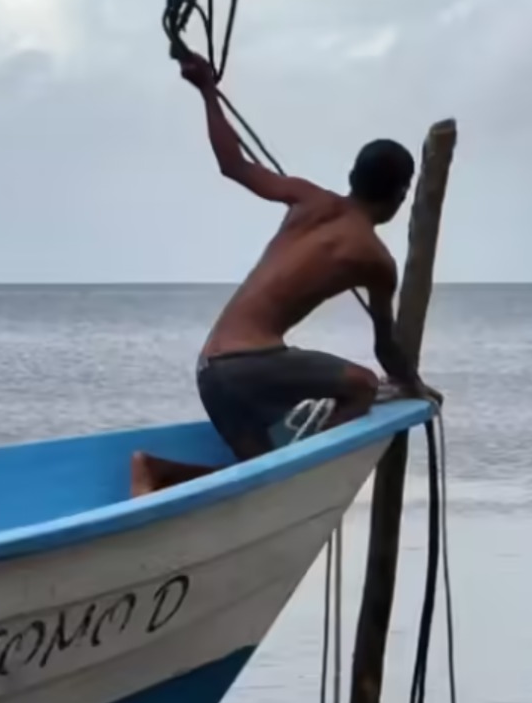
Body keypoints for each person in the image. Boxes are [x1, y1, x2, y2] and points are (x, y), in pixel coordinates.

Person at [131, 53, 437, 497]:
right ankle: (310, 470)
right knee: (363, 386)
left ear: (352, 176)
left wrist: (207, 92)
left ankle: (155, 470)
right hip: (249, 365)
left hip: (210, 368)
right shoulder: (375, 258)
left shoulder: (306, 198)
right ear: (400, 194)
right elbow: (384, 346)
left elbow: (233, 165)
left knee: (261, 481)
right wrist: (413, 384)